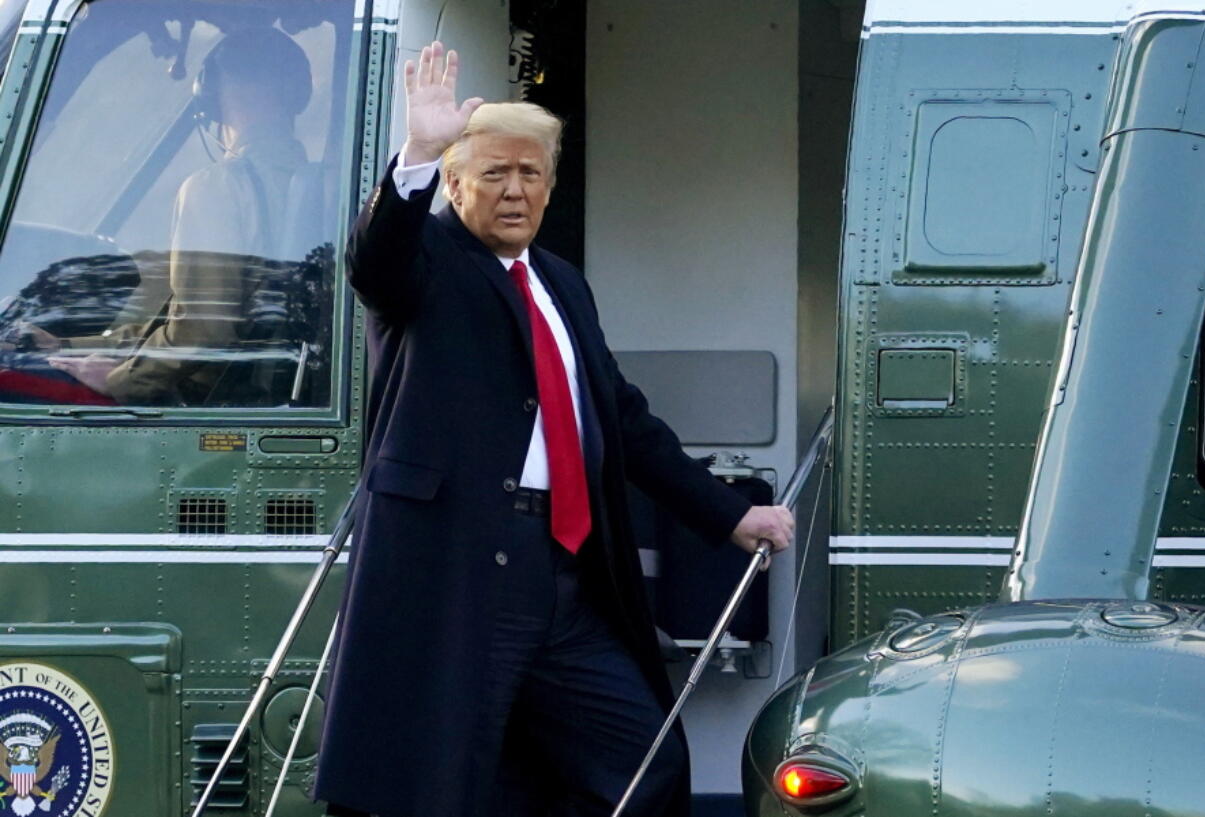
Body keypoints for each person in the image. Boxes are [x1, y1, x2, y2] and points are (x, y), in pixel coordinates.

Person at [315, 41, 795, 817]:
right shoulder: (429, 256)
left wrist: (732, 514)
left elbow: (625, 419)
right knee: (438, 787)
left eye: (529, 174)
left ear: (550, 186)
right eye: (493, 174)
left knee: (645, 765)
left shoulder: (562, 282)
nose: (514, 191)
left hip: (561, 579)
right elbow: (376, 262)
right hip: (458, 572)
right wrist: (419, 152)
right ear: (456, 184)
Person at [35, 26, 311, 405]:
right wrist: (66, 345)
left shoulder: (215, 187)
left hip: (209, 401)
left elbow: (205, 328)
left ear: (211, 94)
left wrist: (122, 381)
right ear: (297, 95)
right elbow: (187, 320)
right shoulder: (322, 186)